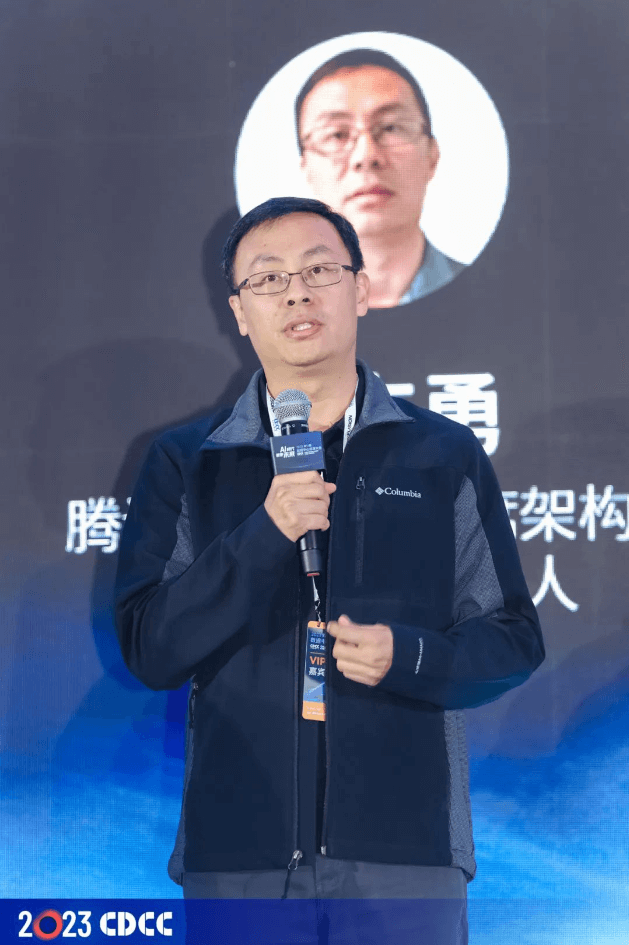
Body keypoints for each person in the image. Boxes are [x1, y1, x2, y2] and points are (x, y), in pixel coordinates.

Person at [114, 196, 544, 944]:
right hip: (239, 854)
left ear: (362, 290)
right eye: (268, 278)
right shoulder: (189, 460)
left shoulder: (440, 454)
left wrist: (407, 654)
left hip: (405, 854)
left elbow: (511, 637)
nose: (296, 294)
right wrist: (266, 532)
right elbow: (152, 645)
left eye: (319, 271)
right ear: (239, 312)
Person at [295, 49, 467, 309]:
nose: (366, 156)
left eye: (390, 128)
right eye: (337, 135)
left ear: (432, 156)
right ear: (306, 168)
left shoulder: (492, 291)